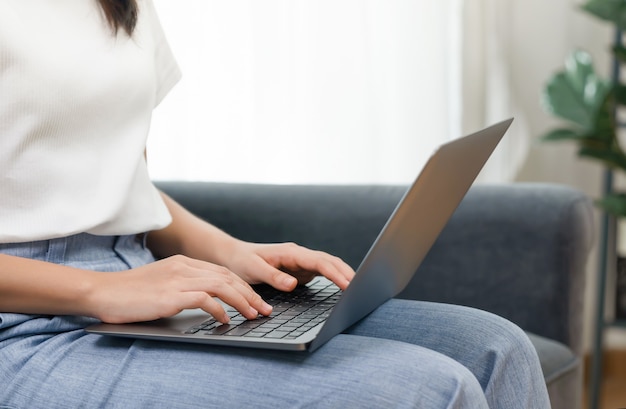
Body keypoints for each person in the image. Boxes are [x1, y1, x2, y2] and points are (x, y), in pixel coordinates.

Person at [0, 1, 551, 408]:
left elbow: (120, 181)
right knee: (431, 391)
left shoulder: (120, 5)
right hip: (22, 329)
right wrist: (102, 289)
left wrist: (230, 252)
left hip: (144, 291)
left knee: (496, 349)